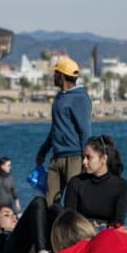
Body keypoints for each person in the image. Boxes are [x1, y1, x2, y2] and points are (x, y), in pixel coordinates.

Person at [35, 58, 92, 204]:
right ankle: (52, 227)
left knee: (72, 203)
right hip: (56, 157)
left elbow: (85, 131)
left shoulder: (80, 98)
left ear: (61, 76)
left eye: (55, 73)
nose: (53, 76)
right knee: (50, 202)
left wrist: (86, 159)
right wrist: (43, 151)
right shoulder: (60, 97)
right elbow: (56, 128)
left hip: (74, 158)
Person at [64, 135, 127, 226]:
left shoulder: (121, 186)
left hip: (107, 235)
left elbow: (118, 222)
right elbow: (69, 219)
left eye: (89, 157)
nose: (84, 162)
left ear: (103, 159)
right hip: (81, 233)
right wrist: (88, 228)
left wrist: (102, 229)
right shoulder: (75, 183)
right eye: (83, 157)